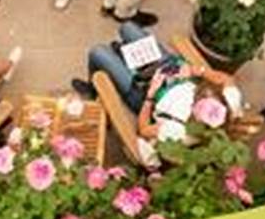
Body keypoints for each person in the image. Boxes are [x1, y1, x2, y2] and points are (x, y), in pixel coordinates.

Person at [73, 22, 237, 145]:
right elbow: (227, 80)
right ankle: (124, 55)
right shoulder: (227, 106)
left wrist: (151, 95)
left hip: (145, 92)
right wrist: (196, 71)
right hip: (173, 71)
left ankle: (94, 89)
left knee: (98, 52)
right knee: (127, 27)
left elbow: (144, 130)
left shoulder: (179, 133)